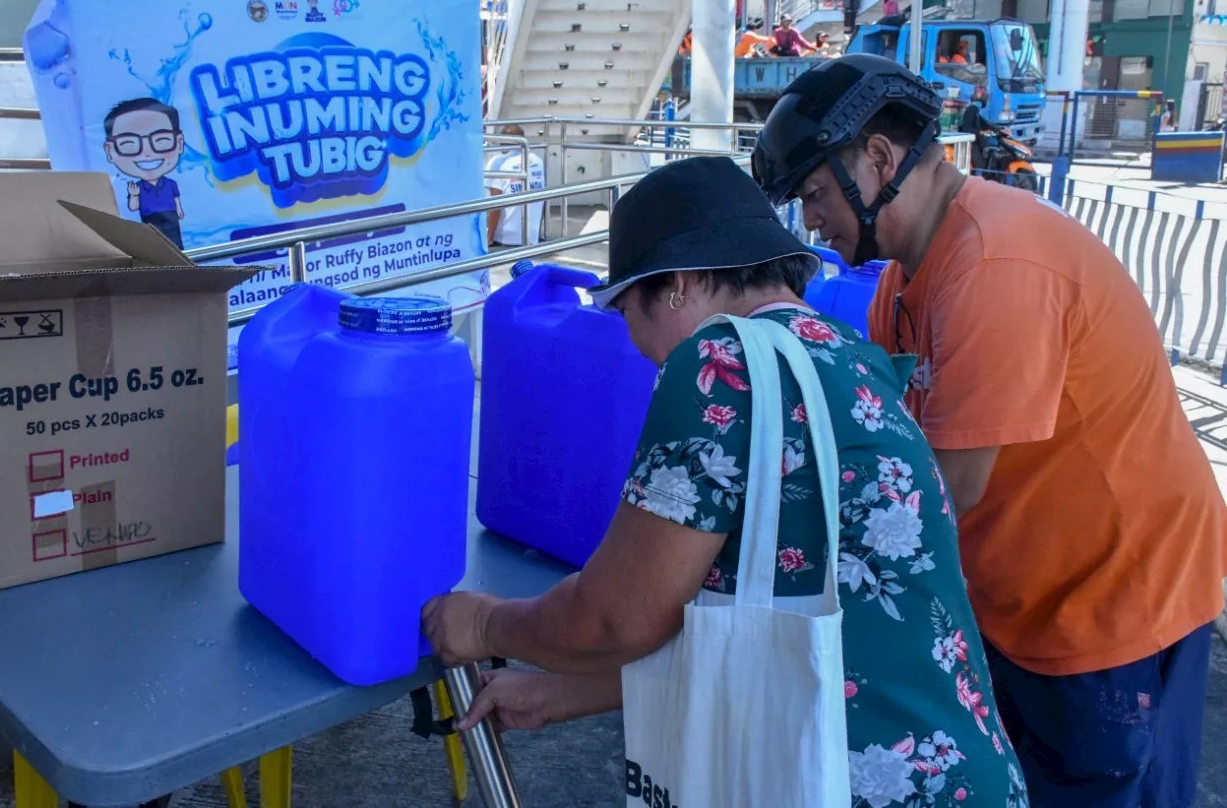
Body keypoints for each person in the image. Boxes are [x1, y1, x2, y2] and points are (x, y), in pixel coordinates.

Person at [425, 155, 1028, 807]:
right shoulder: (850, 358)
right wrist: (566, 690)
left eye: (628, 310)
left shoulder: (721, 359)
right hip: (962, 772)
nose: (634, 342)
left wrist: (488, 624)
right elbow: (773, 622)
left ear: (678, 283)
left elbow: (615, 616)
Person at [753, 53, 1227, 808]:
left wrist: (780, 555)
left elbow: (941, 487)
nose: (812, 222)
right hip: (1025, 595)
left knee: (1101, 787)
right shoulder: (908, 281)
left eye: (814, 195)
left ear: (878, 160)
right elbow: (893, 439)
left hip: (1112, 597)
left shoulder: (997, 263)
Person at [102, 97, 186, 249]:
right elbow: (133, 208)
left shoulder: (170, 183)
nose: (147, 153)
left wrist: (179, 210)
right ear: (110, 151)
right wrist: (133, 195)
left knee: (177, 246)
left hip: (171, 214)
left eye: (161, 141)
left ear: (179, 143)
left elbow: (176, 199)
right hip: (148, 218)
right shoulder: (137, 187)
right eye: (129, 143)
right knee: (153, 248)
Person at [485, 124, 545, 247]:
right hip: (531, 236)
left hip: (505, 238)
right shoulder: (538, 161)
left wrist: (489, 237)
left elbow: (496, 204)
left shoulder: (498, 162)